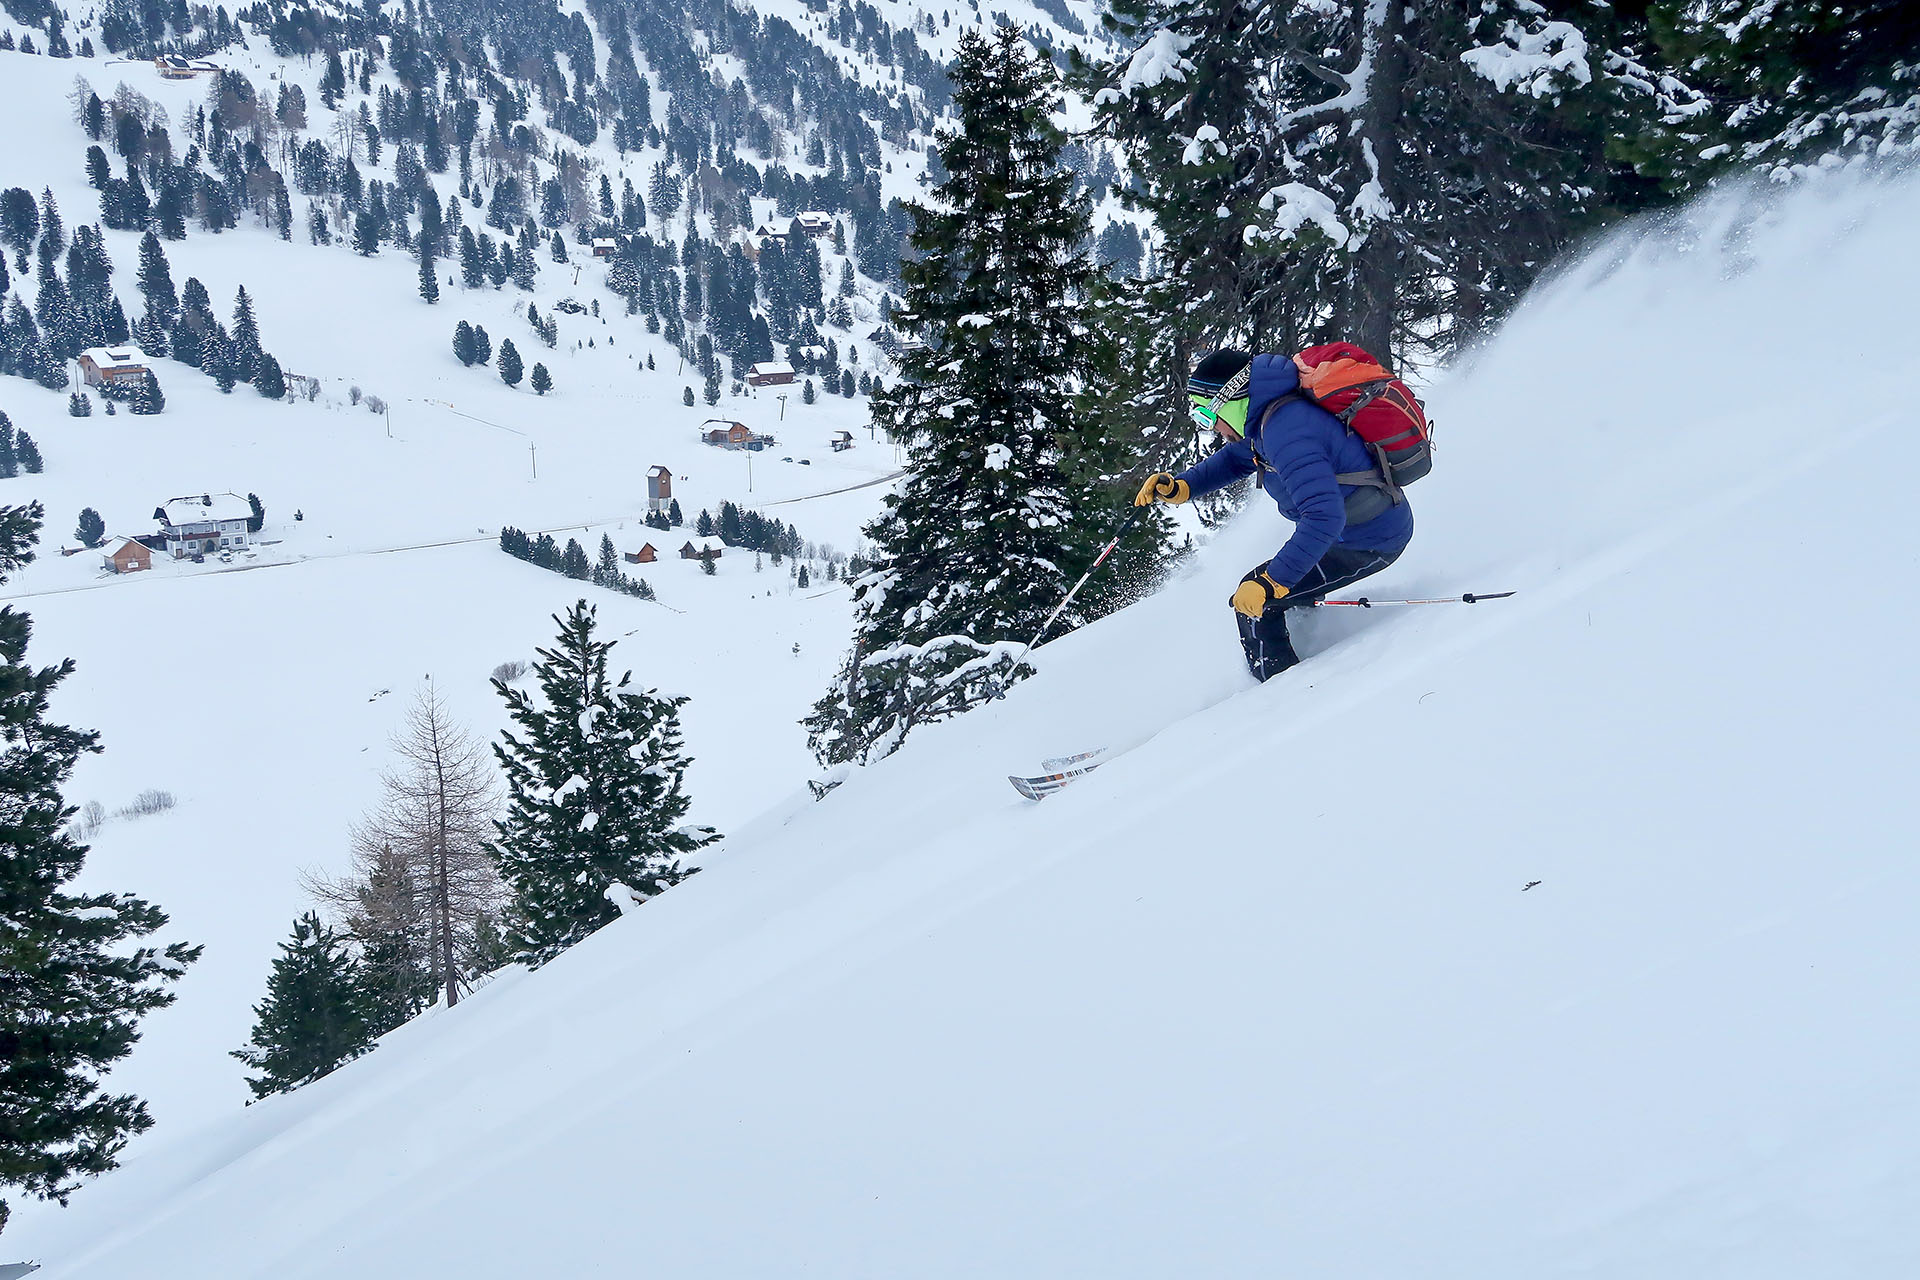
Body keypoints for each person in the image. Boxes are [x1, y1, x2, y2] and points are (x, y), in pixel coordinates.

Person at [1134, 348, 1415, 680]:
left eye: (1207, 416)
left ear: (1232, 398)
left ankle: (1279, 698)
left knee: (1254, 600)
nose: (1211, 429)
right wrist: (1183, 486)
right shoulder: (1269, 416)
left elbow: (1323, 517)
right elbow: (1236, 458)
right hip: (1351, 532)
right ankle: (1312, 637)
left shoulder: (1288, 430)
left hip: (1370, 541)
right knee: (1278, 588)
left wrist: (1273, 583)